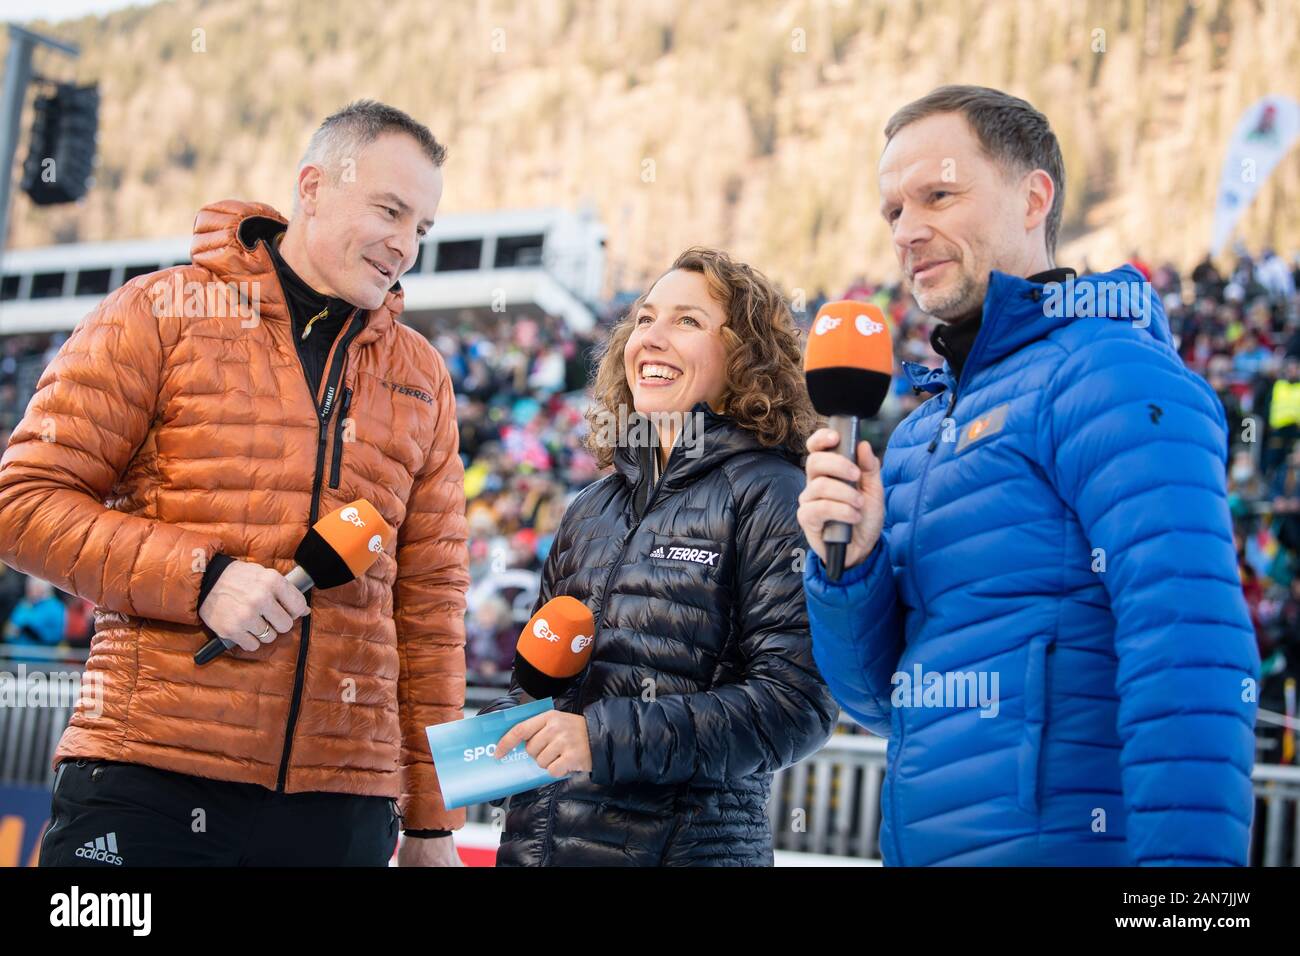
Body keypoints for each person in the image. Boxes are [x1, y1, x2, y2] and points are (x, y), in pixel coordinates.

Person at [797, 85, 1258, 866]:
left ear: (1033, 197)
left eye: (938, 195)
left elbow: (1188, 645)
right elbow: (878, 701)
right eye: (893, 212)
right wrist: (851, 568)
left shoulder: (1110, 374)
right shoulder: (913, 441)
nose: (909, 231)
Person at [0, 100, 468, 866]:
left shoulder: (424, 377)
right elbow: (21, 504)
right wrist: (202, 578)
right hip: (146, 775)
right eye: (390, 210)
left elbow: (432, 609)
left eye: (422, 227)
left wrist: (433, 822)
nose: (404, 245)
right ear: (311, 188)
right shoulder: (158, 311)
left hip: (343, 805)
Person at [483, 247, 837, 865]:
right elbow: (540, 688)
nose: (652, 338)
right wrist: (488, 742)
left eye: (687, 322)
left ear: (745, 357)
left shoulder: (775, 493)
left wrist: (599, 738)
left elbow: (795, 706)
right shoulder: (589, 507)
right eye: (644, 319)